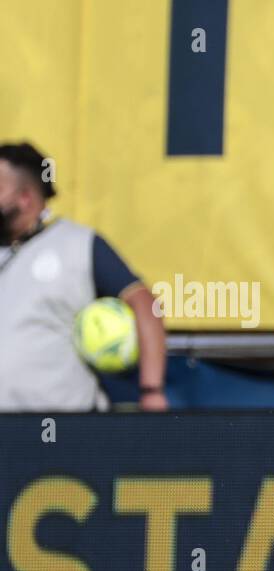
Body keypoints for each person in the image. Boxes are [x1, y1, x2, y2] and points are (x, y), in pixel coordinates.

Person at [0, 142, 167, 412]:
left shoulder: (78, 243)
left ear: (26, 197)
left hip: (62, 428)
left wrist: (151, 391)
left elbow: (146, 305)